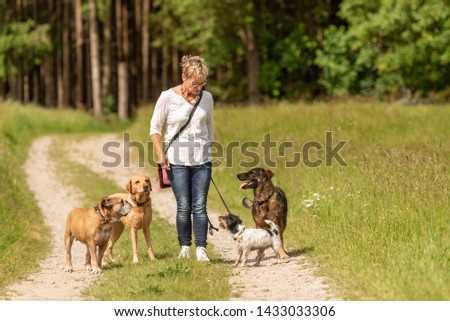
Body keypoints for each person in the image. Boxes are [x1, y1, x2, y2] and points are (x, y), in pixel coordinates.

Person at [150, 55, 213, 261]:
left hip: (202, 161)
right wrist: (161, 155)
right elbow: (155, 128)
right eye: (195, 83)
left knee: (200, 206)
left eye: (202, 83)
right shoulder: (167, 97)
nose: (199, 87)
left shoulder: (207, 98)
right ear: (183, 77)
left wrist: (206, 150)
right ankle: (185, 247)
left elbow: (209, 128)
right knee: (184, 205)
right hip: (176, 160)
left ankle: (201, 249)